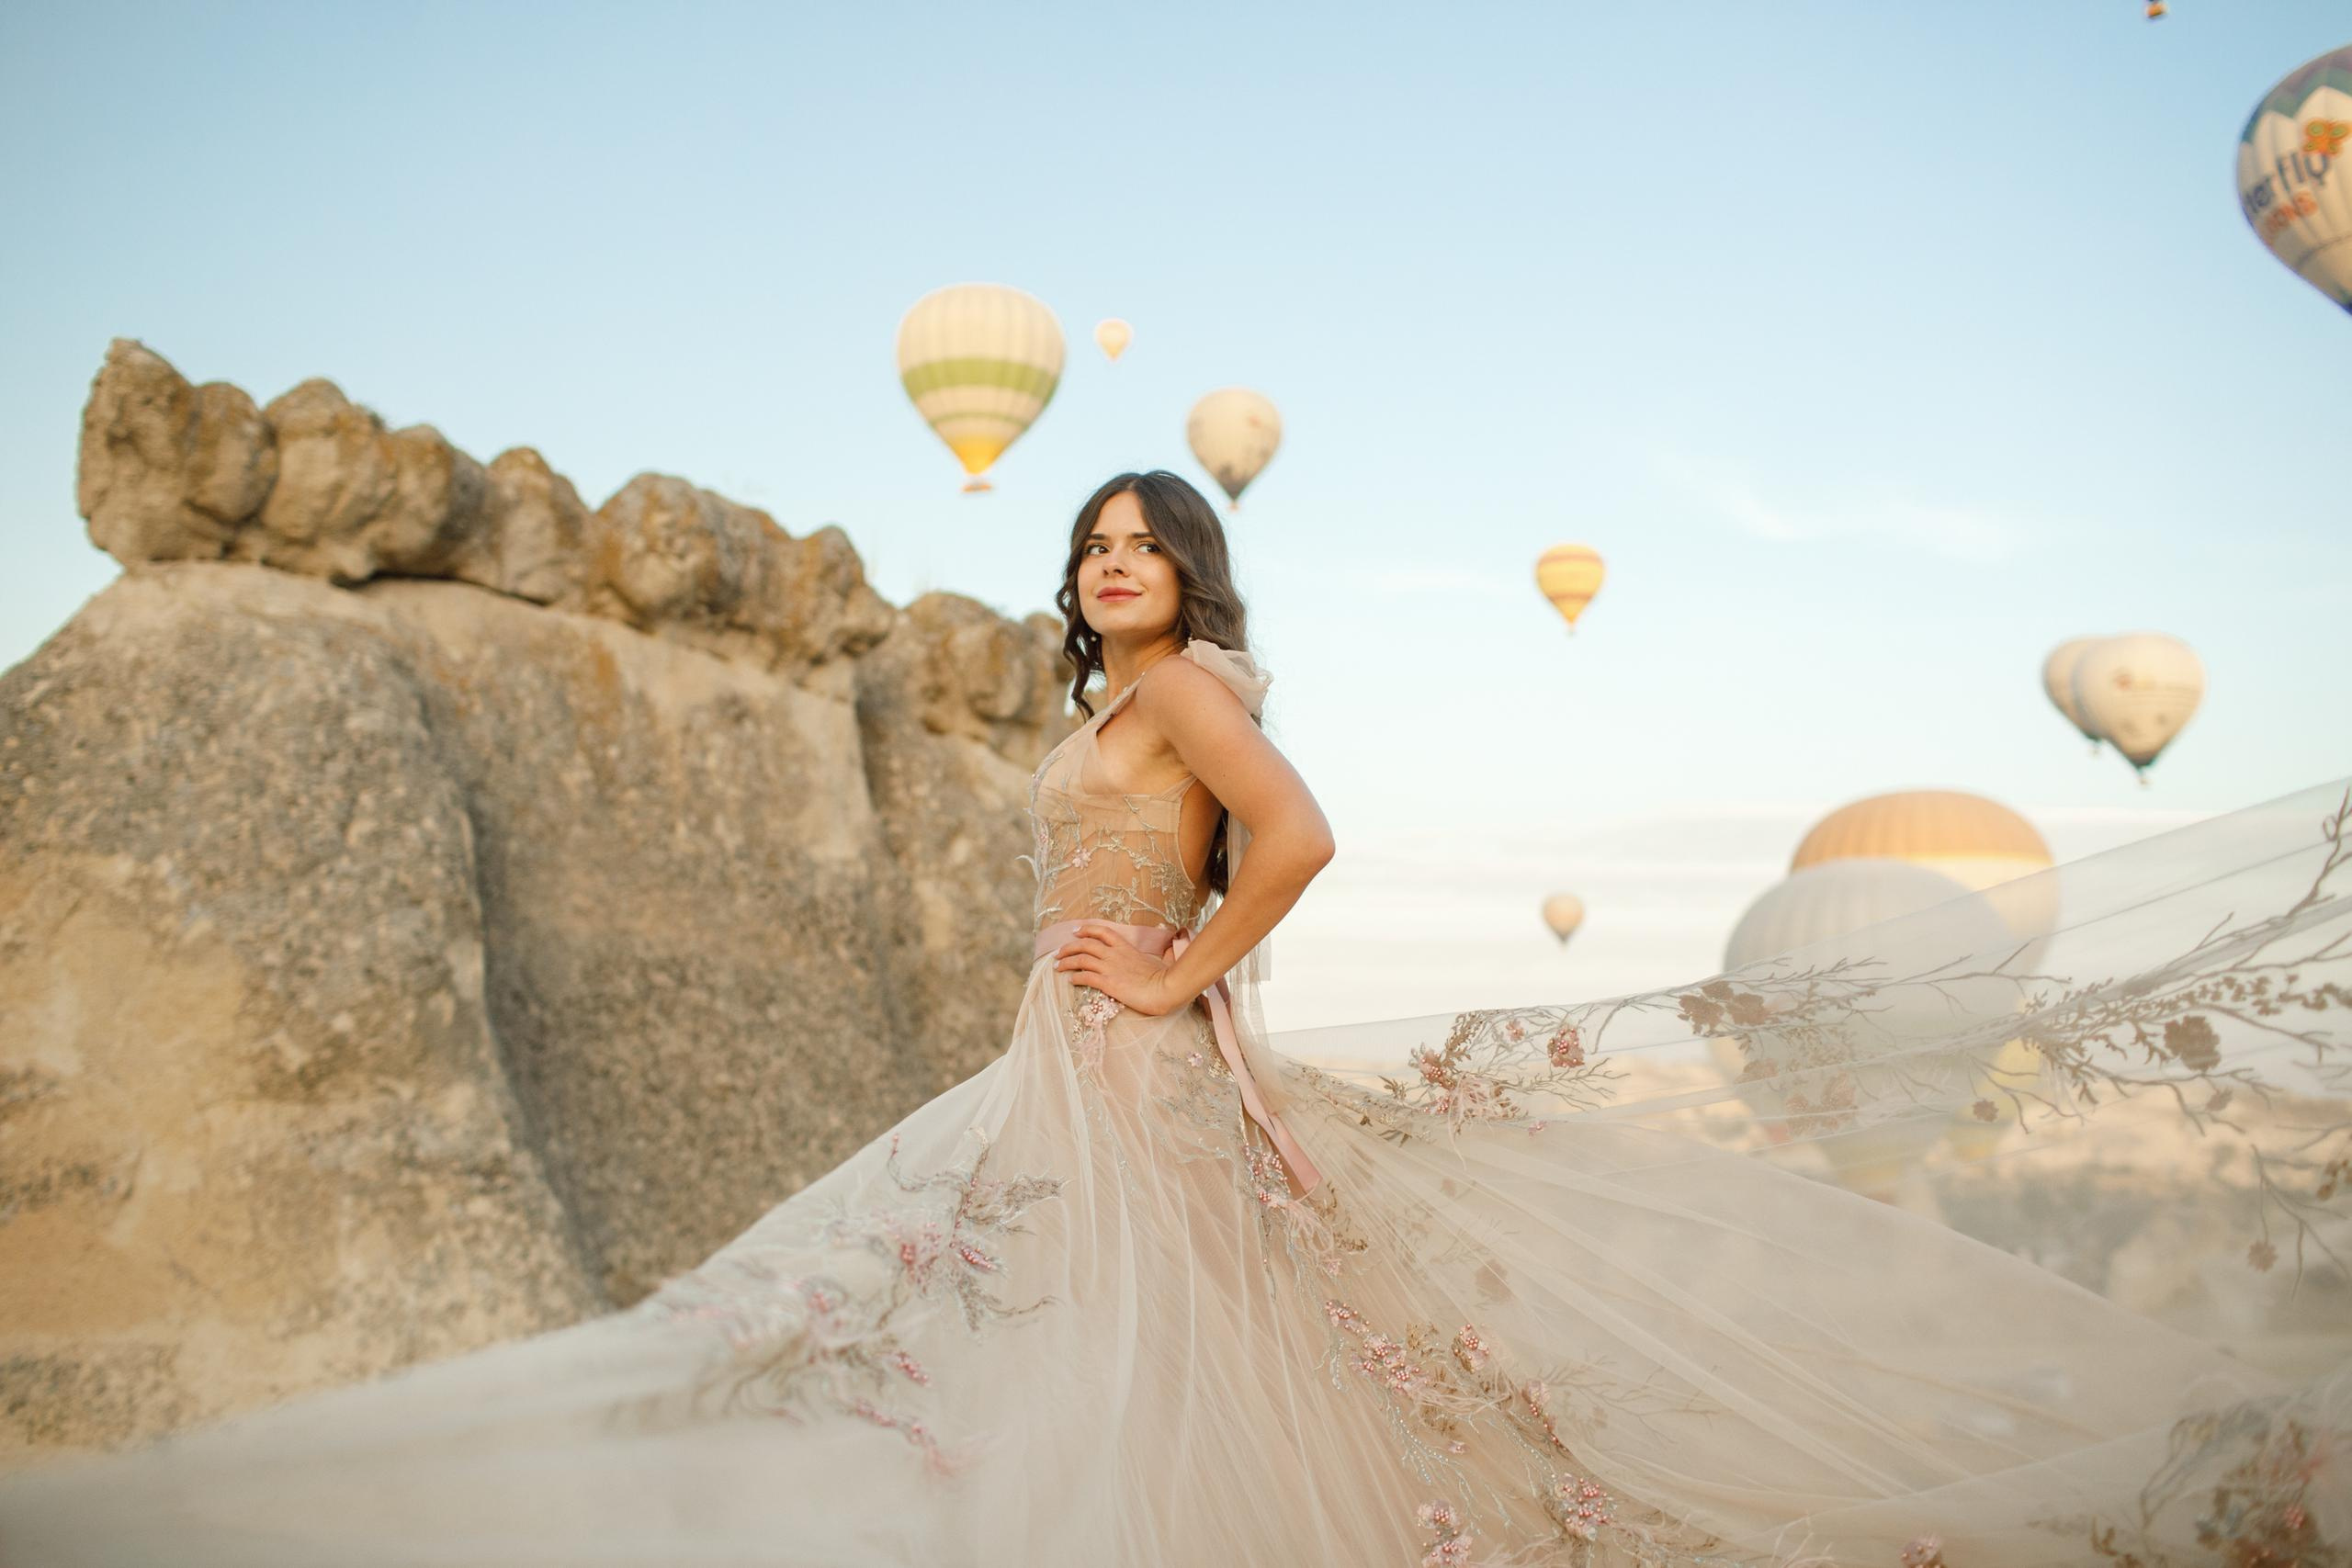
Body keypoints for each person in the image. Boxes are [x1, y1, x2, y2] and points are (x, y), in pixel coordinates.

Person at [2, 469, 2346, 1566]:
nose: (1115, 555)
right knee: (1075, 1333)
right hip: (1083, 1043)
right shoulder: (1110, 691)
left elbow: (1294, 834)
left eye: (1147, 536)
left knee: (1111, 1343)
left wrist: (1173, 975)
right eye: (1096, 539)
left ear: (1192, 576)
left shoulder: (1196, 686)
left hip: (1122, 1049)